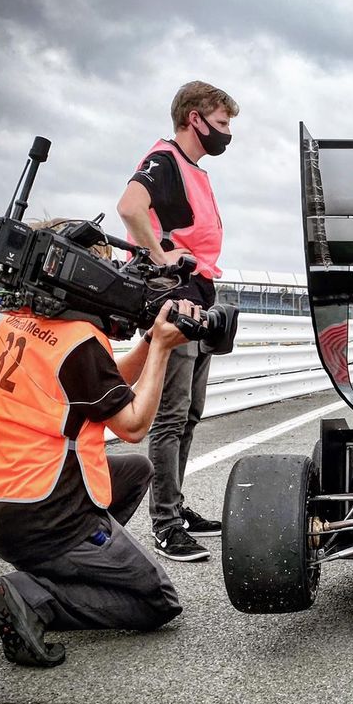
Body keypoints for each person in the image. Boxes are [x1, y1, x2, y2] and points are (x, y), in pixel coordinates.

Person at [0, 296, 199, 667]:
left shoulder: (18, 321)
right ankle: (34, 596)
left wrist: (146, 342)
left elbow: (102, 379)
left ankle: (69, 568)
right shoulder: (78, 341)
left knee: (137, 471)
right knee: (158, 600)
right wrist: (161, 347)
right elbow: (133, 424)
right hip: (49, 513)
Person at [117, 81, 239, 562]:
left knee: (189, 412)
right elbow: (129, 206)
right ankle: (165, 525)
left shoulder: (195, 169)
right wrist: (160, 256)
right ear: (195, 118)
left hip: (200, 296)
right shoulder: (166, 159)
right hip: (177, 299)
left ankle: (176, 504)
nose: (227, 134)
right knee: (170, 416)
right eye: (223, 124)